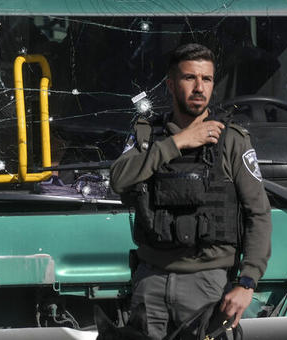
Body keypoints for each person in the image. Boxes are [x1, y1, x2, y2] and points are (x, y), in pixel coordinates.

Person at [110, 43, 272, 339]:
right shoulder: (147, 136)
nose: (200, 87)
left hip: (208, 285)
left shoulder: (231, 140)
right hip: (151, 282)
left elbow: (258, 214)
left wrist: (247, 282)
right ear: (171, 84)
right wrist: (178, 142)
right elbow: (118, 179)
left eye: (207, 79)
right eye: (190, 78)